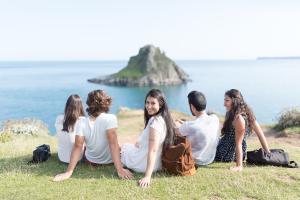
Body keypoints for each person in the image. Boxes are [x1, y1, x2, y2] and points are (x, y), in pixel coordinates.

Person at [54, 90, 133, 181]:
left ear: (89, 104)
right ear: (106, 103)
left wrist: (68, 172)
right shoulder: (111, 118)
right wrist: (120, 169)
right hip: (110, 162)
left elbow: (78, 147)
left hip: (90, 161)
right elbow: (113, 145)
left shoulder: (82, 121)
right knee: (123, 146)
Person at [121, 89, 175, 187]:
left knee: (122, 148)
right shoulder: (165, 120)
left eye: (153, 103)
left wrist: (147, 176)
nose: (149, 106)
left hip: (143, 164)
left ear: (161, 104)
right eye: (147, 102)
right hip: (157, 164)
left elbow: (153, 150)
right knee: (128, 147)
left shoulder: (155, 123)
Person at [214, 89, 270, 172]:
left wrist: (239, 166)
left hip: (226, 154)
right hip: (231, 149)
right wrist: (267, 152)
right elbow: (260, 134)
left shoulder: (239, 119)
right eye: (224, 100)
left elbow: (239, 143)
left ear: (235, 101)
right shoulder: (242, 113)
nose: (224, 104)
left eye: (227, 100)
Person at [175, 91, 219, 166]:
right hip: (210, 159)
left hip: (195, 161)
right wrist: (184, 124)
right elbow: (200, 125)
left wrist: (177, 123)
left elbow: (175, 131)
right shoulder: (215, 118)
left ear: (192, 107)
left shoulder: (190, 125)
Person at [55, 94, 85, 163]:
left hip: (62, 157)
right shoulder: (82, 120)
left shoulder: (59, 118)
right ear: (80, 106)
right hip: (78, 159)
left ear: (67, 105)